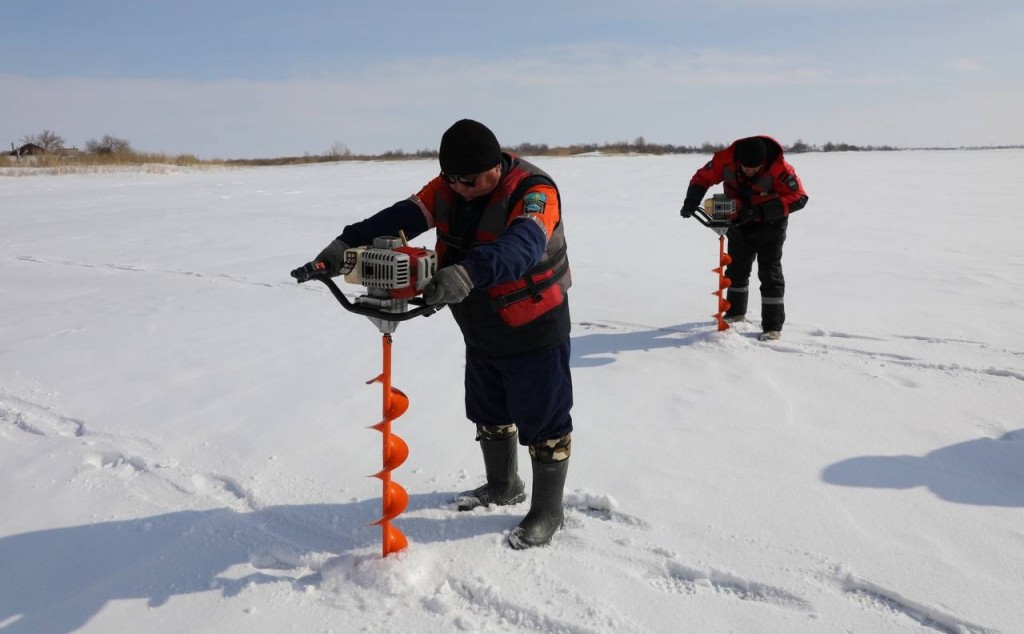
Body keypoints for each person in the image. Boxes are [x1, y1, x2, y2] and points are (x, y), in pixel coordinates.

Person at [295, 119, 574, 549]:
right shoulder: (449, 186)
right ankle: (503, 486)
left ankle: (548, 511)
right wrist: (344, 244)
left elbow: (523, 245)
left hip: (534, 326)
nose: (456, 187)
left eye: (466, 180)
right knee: (489, 410)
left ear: (493, 168)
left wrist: (467, 271)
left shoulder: (535, 192)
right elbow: (402, 215)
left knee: (545, 422)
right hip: (479, 323)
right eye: (450, 178)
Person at [680, 136, 808, 340]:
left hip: (770, 224)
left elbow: (799, 198)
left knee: (770, 272)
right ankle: (735, 312)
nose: (749, 171)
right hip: (737, 221)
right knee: (736, 268)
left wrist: (759, 211)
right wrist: (691, 201)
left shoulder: (780, 168)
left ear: (763, 162)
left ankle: (772, 326)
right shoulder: (725, 160)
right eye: (745, 166)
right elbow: (701, 178)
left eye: (754, 168)